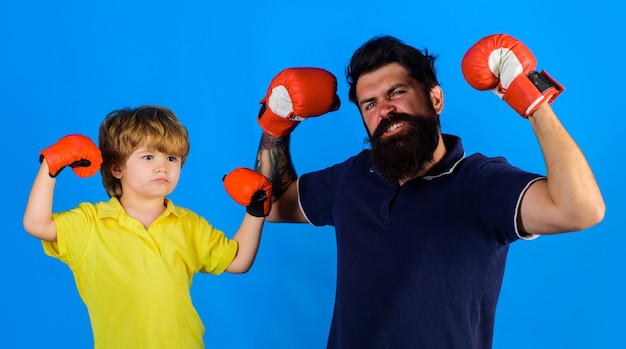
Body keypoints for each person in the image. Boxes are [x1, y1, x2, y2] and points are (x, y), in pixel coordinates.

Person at [252, 34, 605, 348]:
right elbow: (269, 205)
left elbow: (581, 209)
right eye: (370, 104)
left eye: (397, 93)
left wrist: (530, 99)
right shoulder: (353, 177)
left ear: (435, 98)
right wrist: (275, 126)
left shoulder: (481, 182)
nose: (385, 110)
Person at [23, 105, 272, 349]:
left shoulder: (188, 224)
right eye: (148, 156)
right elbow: (36, 224)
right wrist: (50, 166)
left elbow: (238, 260)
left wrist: (255, 211)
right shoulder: (90, 223)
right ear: (117, 168)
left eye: (172, 158)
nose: (162, 166)